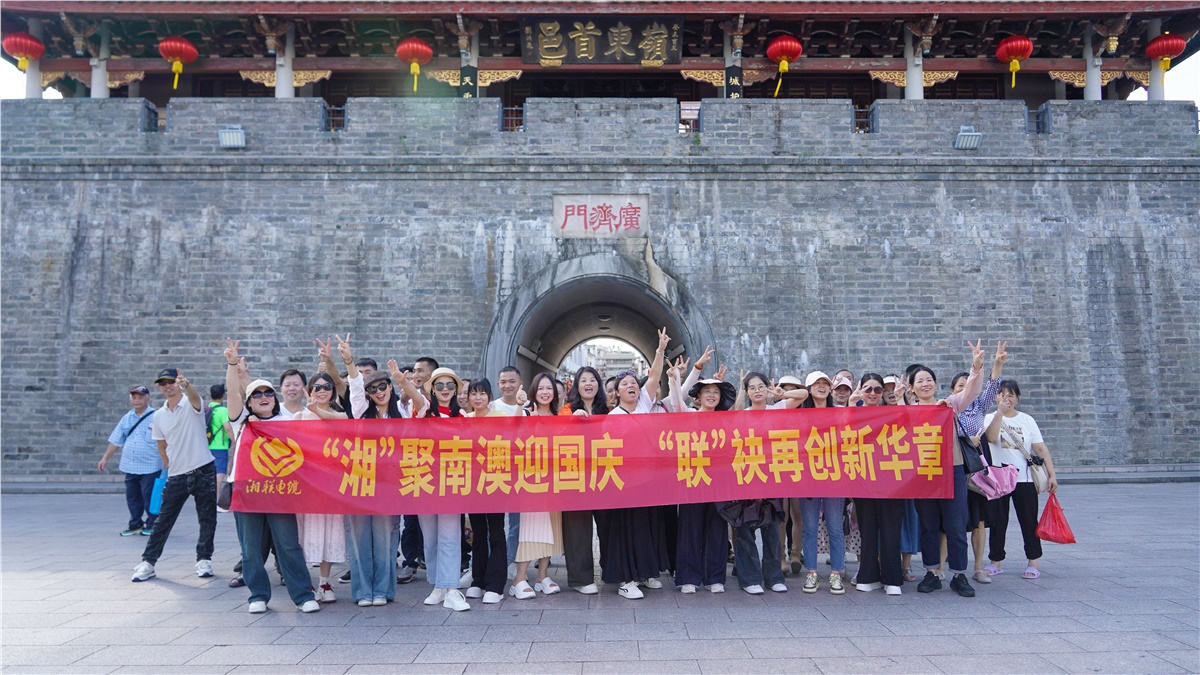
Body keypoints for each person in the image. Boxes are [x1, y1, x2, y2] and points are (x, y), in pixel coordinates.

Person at [217, 340, 321, 614]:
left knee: (288, 545)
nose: (263, 396)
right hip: (247, 493)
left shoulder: (286, 422)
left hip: (280, 493)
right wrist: (232, 365)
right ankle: (258, 596)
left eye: (268, 393)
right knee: (251, 548)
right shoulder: (242, 422)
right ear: (249, 402)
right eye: (256, 394)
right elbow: (232, 392)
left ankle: (303, 595)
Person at [343, 336, 427, 607]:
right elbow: (355, 385)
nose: (378, 392)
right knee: (358, 540)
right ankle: (362, 592)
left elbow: (422, 405)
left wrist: (403, 382)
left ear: (390, 387)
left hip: (389, 487)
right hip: (359, 483)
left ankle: (382, 590)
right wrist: (349, 361)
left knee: (385, 540)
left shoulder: (401, 412)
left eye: (383, 386)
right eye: (373, 389)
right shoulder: (360, 411)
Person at [909, 340, 986, 598]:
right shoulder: (906, 412)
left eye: (929, 379)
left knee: (955, 524)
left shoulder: (949, 405)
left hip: (952, 471)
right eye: (920, 381)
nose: (925, 384)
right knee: (928, 525)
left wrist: (976, 368)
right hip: (922, 475)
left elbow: (971, 392)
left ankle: (959, 575)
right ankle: (932, 572)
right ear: (912, 388)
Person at [130, 368, 218, 584]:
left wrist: (187, 385)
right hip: (177, 474)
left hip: (203, 469)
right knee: (163, 520)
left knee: (207, 518)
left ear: (177, 383)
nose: (167, 386)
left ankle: (204, 559)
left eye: (171, 381)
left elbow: (195, 397)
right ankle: (148, 562)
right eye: (163, 383)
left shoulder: (191, 404)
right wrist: (168, 464)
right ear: (158, 387)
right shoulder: (159, 415)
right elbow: (161, 444)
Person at [604, 328, 673, 599]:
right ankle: (626, 579)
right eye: (624, 384)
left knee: (648, 526)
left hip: (649, 480)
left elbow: (654, 376)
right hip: (625, 484)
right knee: (628, 529)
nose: (631, 385)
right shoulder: (612, 418)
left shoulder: (644, 404)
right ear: (617, 393)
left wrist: (660, 350)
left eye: (634, 382)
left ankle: (645, 572)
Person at [667, 362, 736, 594]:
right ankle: (689, 577)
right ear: (698, 397)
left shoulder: (725, 419)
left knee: (717, 528)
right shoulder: (688, 415)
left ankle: (714, 577)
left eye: (716, 392)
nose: (711, 396)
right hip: (692, 479)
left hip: (719, 481)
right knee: (690, 527)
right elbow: (676, 402)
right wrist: (674, 379)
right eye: (707, 391)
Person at [731, 371, 801, 595]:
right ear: (747, 392)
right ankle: (750, 579)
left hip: (772, 477)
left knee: (772, 529)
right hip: (747, 476)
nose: (757, 391)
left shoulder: (777, 409)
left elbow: (803, 395)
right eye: (752, 388)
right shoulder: (742, 415)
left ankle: (773, 577)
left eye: (761, 386)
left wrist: (781, 394)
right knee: (745, 530)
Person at [983, 379, 1058, 580]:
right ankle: (995, 561)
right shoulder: (988, 418)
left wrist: (1052, 474)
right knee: (998, 521)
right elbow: (991, 438)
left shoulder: (1027, 420)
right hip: (999, 478)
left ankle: (1033, 561)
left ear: (1017, 398)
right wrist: (999, 412)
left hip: (1024, 479)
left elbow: (1040, 448)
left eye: (1011, 395)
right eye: (1002, 394)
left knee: (1028, 520)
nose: (1006, 398)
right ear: (996, 397)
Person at [949, 341, 1008, 584]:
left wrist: (996, 364)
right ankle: (943, 567)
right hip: (954, 464)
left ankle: (978, 567)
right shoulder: (949, 407)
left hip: (975, 465)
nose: (966, 389)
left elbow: (992, 386)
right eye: (961, 386)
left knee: (979, 520)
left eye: (969, 385)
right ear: (953, 391)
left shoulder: (980, 407)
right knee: (952, 519)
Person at [419, 366, 471, 611]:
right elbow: (414, 396)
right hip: (425, 480)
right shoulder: (423, 410)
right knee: (430, 537)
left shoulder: (462, 415)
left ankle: (451, 588)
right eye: (439, 385)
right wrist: (401, 380)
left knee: (450, 536)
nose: (445, 389)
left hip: (452, 481)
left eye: (450, 385)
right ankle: (438, 585)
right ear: (432, 388)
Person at [294, 367, 348, 603]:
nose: (322, 391)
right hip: (308, 485)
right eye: (317, 387)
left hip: (333, 484)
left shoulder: (341, 415)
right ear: (309, 390)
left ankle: (324, 582)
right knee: (305, 532)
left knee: (329, 531)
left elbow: (343, 427)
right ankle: (305, 582)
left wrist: (317, 410)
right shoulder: (299, 417)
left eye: (327, 387)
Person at [510, 372, 566, 600]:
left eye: (549, 388)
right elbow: (512, 436)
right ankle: (519, 579)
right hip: (531, 481)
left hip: (555, 481)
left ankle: (542, 576)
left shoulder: (559, 416)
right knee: (531, 528)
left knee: (552, 528)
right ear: (534, 390)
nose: (545, 392)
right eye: (541, 388)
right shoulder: (526, 412)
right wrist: (520, 408)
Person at [852, 372, 906, 596]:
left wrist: (900, 399)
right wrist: (851, 404)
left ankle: (892, 578)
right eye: (868, 388)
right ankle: (868, 576)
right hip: (863, 480)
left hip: (892, 480)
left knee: (891, 530)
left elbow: (911, 427)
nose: (872, 393)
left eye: (877, 389)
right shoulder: (853, 412)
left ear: (883, 392)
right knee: (867, 529)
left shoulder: (892, 412)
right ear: (861, 390)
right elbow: (842, 435)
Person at [797, 371, 847, 595]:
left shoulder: (839, 411)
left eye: (825, 383)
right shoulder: (799, 413)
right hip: (808, 477)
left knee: (835, 527)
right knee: (810, 528)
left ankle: (836, 573)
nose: (822, 387)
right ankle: (812, 573)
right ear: (808, 389)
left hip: (834, 476)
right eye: (816, 383)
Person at [561, 365, 609, 595]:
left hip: (604, 475)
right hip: (576, 476)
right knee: (577, 528)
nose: (588, 384)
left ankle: (612, 570)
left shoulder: (607, 409)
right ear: (576, 386)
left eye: (592, 380)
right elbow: (556, 437)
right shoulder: (567, 410)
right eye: (584, 380)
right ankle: (581, 578)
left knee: (609, 525)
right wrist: (572, 421)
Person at [463, 379, 508, 605]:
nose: (478, 397)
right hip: (473, 484)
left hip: (495, 482)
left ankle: (496, 585)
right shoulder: (464, 420)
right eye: (474, 393)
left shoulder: (500, 417)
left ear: (489, 396)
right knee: (478, 533)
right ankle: (478, 580)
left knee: (496, 532)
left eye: (482, 393)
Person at [99, 385, 162, 537]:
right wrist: (105, 458)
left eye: (140, 398)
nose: (137, 401)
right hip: (130, 465)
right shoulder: (127, 418)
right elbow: (116, 439)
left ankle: (153, 523)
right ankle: (135, 523)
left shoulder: (157, 416)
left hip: (151, 465)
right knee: (132, 497)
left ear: (147, 398)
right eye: (134, 398)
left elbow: (165, 440)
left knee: (149, 496)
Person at [490, 365, 526, 573]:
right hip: (495, 471)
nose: (507, 385)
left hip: (520, 472)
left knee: (516, 522)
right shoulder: (491, 407)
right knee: (493, 522)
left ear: (520, 384)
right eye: (503, 382)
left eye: (512, 381)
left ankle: (511, 562)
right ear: (498, 384)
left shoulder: (528, 409)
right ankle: (489, 563)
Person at [207, 384, 234, 508]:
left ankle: (209, 499)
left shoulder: (207, 409)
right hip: (220, 446)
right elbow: (227, 428)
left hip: (207, 445)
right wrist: (235, 440)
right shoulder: (223, 410)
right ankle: (215, 499)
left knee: (209, 473)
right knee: (220, 472)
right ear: (223, 395)